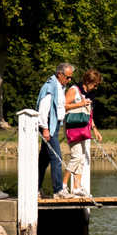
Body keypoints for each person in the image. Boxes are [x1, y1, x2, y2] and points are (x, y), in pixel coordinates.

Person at [63, 69, 103, 198]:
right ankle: (63, 184)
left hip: (83, 127)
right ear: (87, 81)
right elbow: (63, 106)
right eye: (94, 85)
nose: (95, 88)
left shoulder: (89, 94)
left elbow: (89, 114)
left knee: (81, 158)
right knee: (76, 156)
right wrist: (80, 103)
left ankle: (76, 187)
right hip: (73, 126)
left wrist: (95, 129)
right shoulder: (74, 90)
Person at [37, 62, 73, 199]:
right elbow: (43, 109)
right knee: (57, 158)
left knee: (44, 160)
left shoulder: (60, 87)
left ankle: (35, 189)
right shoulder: (50, 88)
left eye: (70, 78)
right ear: (59, 74)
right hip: (49, 127)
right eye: (68, 77)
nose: (69, 80)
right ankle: (58, 191)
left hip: (55, 126)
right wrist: (45, 129)